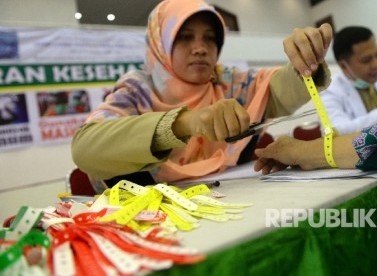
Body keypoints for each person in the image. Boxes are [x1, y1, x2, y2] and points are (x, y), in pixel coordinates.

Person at [71, 0, 333, 187]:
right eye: (184, 37)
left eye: (209, 38)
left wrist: (306, 59)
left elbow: (277, 90)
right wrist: (185, 123)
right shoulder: (137, 90)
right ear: (160, 43)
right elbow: (85, 148)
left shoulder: (226, 82)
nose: (200, 48)